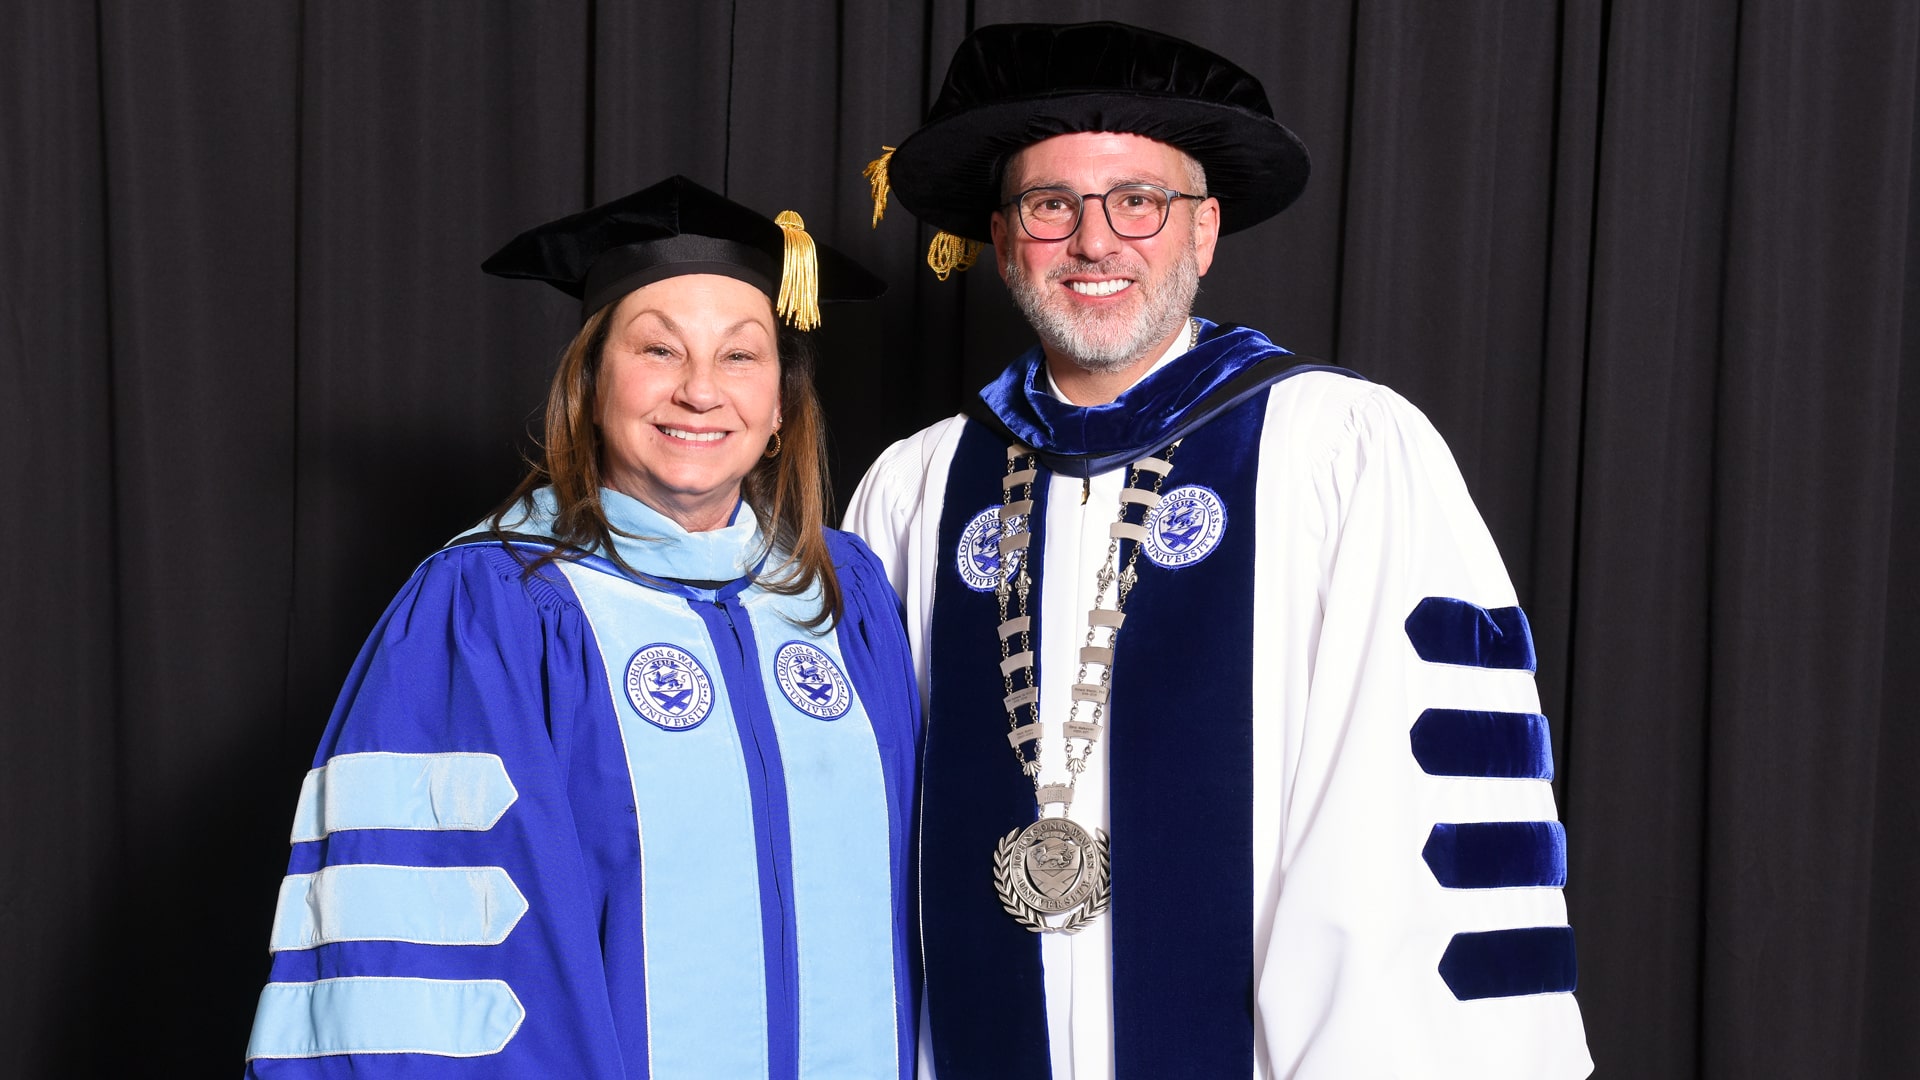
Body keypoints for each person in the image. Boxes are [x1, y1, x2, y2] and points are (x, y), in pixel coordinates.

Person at [844, 21, 1592, 1080]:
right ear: (1004, 239)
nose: (1095, 242)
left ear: (1203, 231)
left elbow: (1402, 826)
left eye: (1138, 201)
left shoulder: (1340, 449)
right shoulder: (918, 485)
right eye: (1051, 204)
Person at [242, 175, 918, 1079]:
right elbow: (445, 973)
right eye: (659, 351)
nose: (700, 392)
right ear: (592, 382)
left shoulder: (845, 596)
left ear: (782, 407)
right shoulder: (495, 606)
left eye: (741, 357)